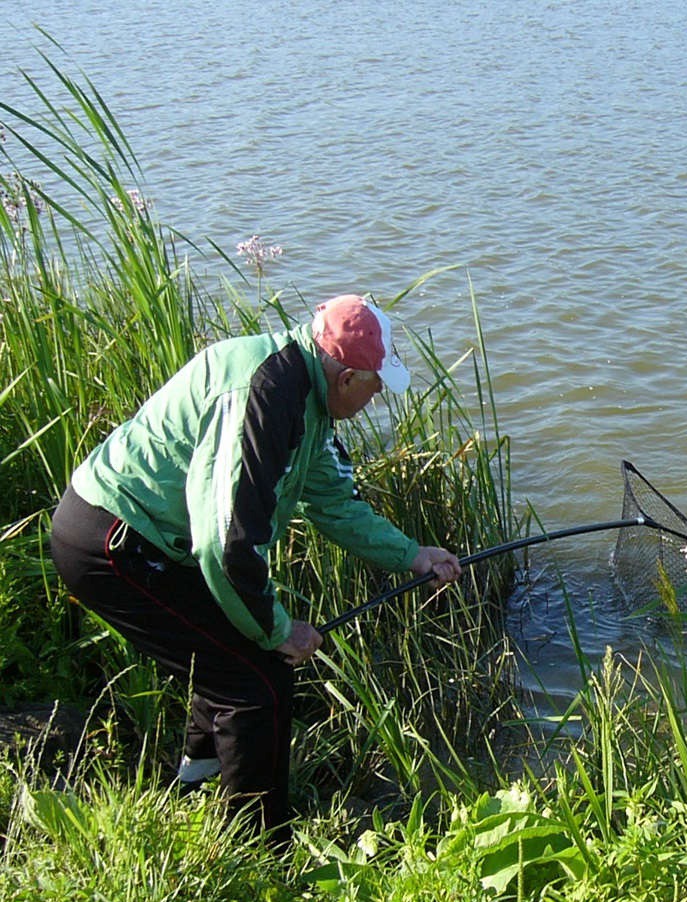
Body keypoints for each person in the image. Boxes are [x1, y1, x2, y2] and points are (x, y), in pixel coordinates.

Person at [49, 293, 462, 844]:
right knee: (256, 684)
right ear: (346, 380)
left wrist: (412, 555)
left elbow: (334, 503)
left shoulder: (306, 396)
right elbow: (226, 544)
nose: (377, 397)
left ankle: (194, 791)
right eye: (376, 387)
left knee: (230, 665)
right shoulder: (264, 396)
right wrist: (277, 629)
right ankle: (261, 851)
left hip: (152, 542)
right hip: (110, 540)